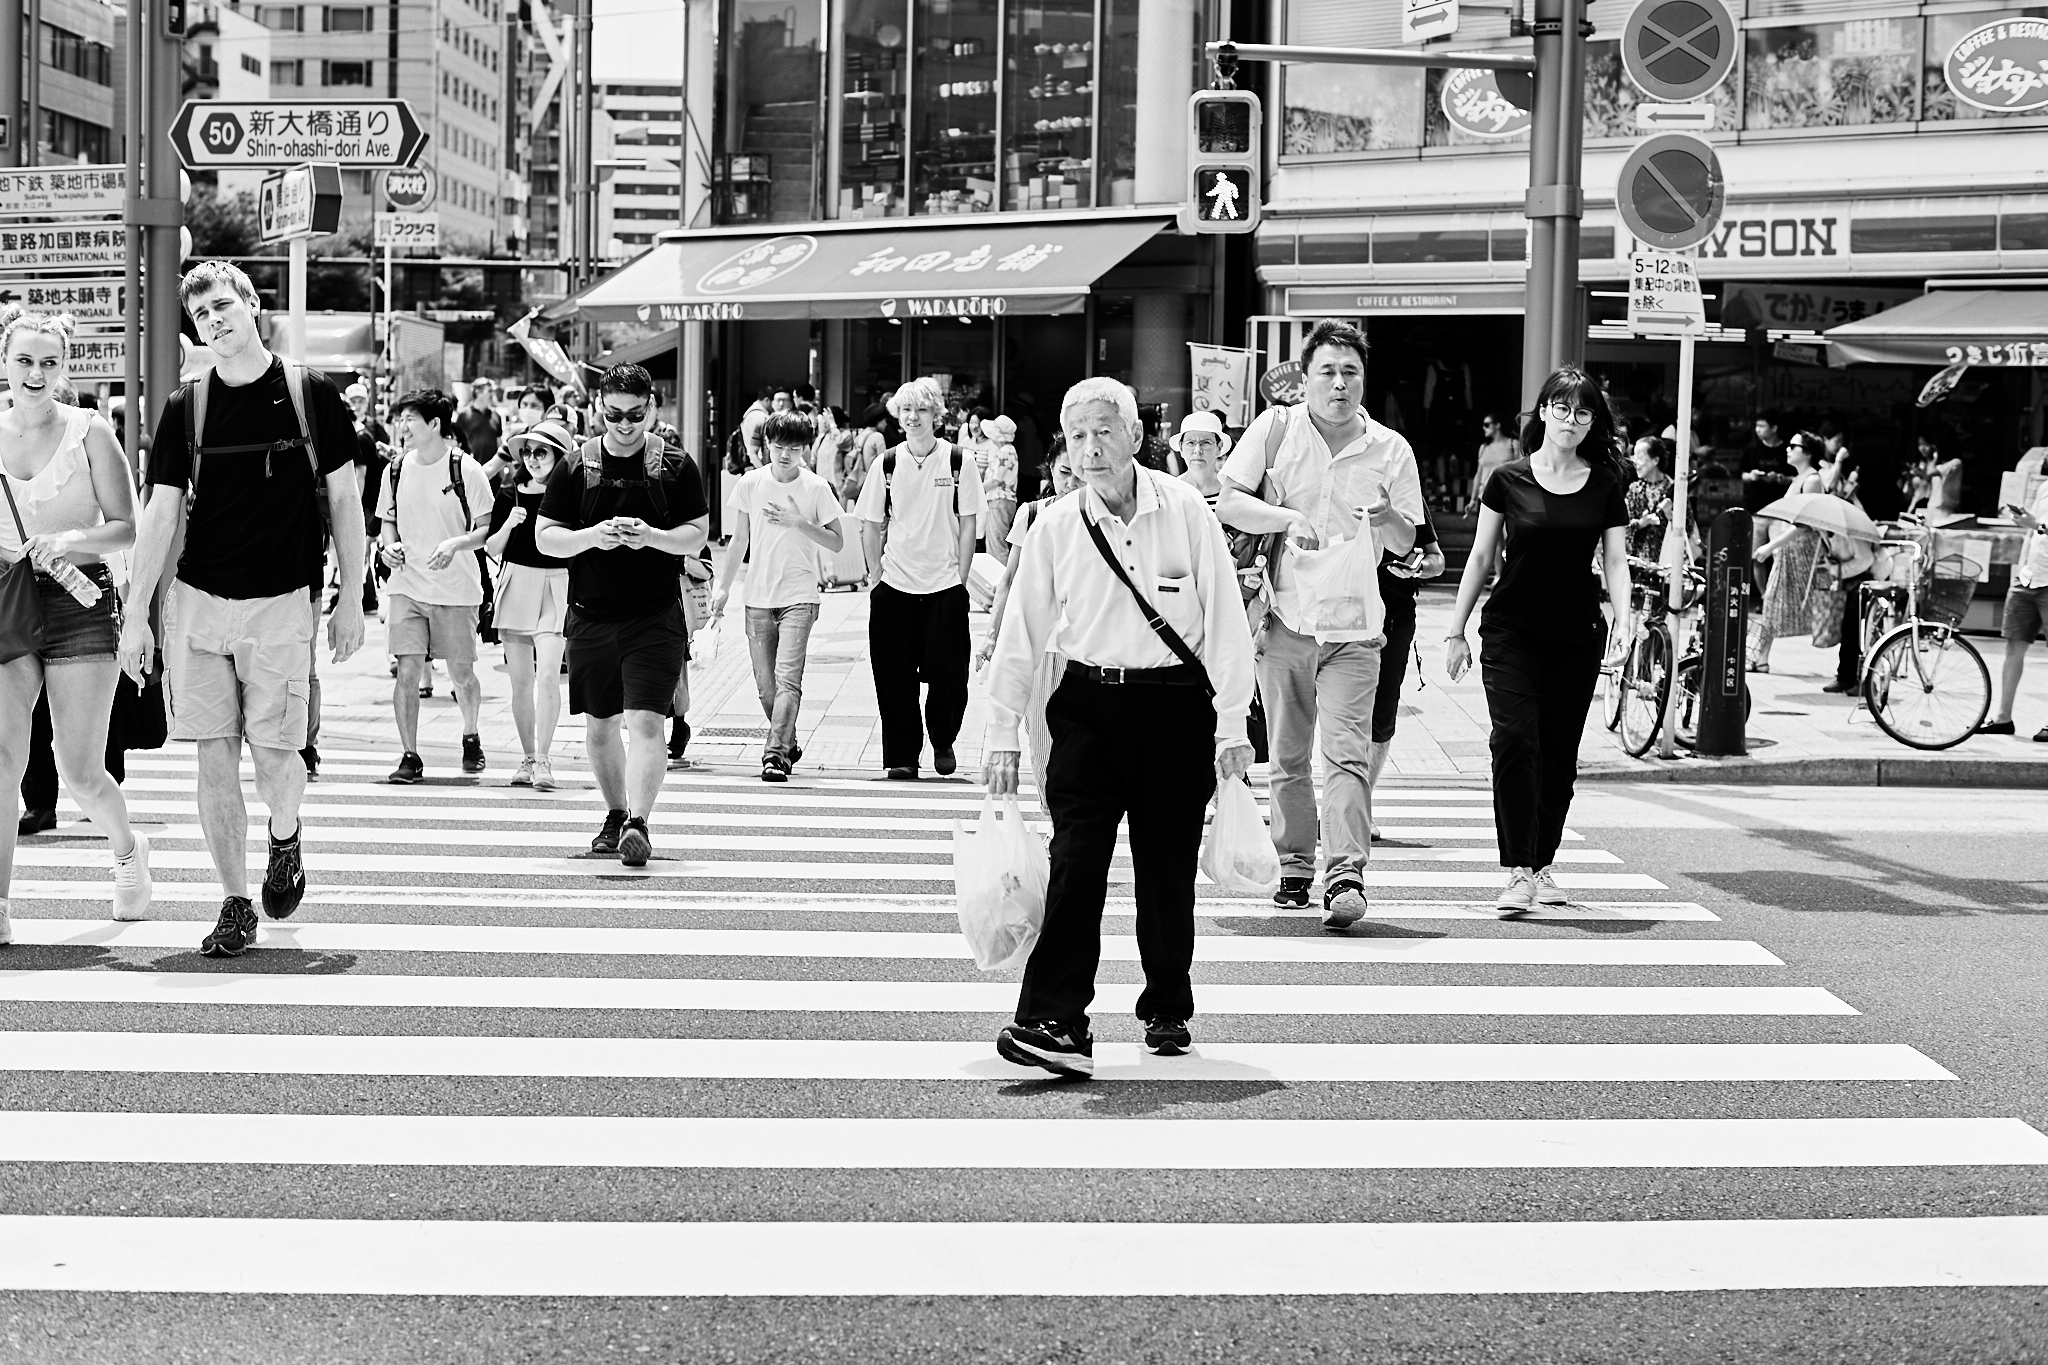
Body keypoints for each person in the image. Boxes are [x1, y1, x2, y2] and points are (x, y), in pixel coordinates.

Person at [982, 377, 1256, 1078]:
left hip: (1174, 706)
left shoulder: (1187, 510)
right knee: (1075, 864)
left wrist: (1232, 723)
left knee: (1166, 867)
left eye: (1104, 431)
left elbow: (1225, 619)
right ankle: (1056, 1018)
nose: (1090, 449)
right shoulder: (1054, 525)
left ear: (1138, 437)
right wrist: (1002, 732)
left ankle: (1167, 1000)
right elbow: (1022, 631)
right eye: (1077, 436)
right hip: (1086, 706)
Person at [116, 260, 366, 958]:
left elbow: (345, 501)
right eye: (202, 315)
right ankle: (233, 902)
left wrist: (350, 594)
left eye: (224, 306)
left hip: (284, 601)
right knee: (213, 755)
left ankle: (284, 836)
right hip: (198, 601)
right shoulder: (184, 407)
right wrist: (137, 612)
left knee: (275, 757)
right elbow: (160, 514)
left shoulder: (310, 393)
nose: (215, 321)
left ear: (253, 304)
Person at [1216, 319, 1422, 929]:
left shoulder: (1390, 449)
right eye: (1327, 372)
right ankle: (1297, 863)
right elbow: (1229, 499)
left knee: (1348, 754)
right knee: (1286, 754)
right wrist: (1284, 517)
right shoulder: (1275, 431)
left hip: (1357, 630)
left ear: (1364, 381)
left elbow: (1410, 539)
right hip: (1284, 621)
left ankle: (1345, 873)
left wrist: (1386, 516)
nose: (1339, 383)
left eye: (1350, 372)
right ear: (1305, 380)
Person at [1443, 366, 1631, 916]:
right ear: (1543, 412)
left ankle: (1543, 862)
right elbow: (1481, 557)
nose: (1571, 420)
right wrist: (1455, 631)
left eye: (1583, 412)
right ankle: (1517, 869)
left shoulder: (1604, 483)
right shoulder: (1508, 479)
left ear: (1591, 421)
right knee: (1514, 742)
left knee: (1557, 757)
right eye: (1561, 408)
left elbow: (1615, 562)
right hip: (1511, 633)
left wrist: (1624, 624)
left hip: (1576, 636)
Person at [0, 306, 151, 941]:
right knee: (3, 760)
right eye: (24, 360)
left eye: (49, 362)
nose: (36, 373)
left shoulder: (90, 431)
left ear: (64, 369)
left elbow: (127, 526)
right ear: (5, 362)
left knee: (80, 770)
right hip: (7, 597)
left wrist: (67, 540)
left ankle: (126, 848)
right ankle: (1, 901)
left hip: (80, 599)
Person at [534, 363, 709, 867]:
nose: (626, 425)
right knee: (600, 725)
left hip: (654, 617)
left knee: (646, 721)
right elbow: (548, 536)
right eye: (614, 416)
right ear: (599, 410)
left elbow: (696, 534)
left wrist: (652, 537)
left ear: (652, 407)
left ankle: (638, 823)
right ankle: (615, 814)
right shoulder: (575, 465)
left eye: (635, 414)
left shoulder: (675, 466)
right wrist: (593, 536)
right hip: (590, 616)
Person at [856, 377, 986, 780]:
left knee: (948, 672)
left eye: (922, 410)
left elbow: (969, 524)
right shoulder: (887, 463)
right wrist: (875, 574)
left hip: (945, 585)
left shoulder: (958, 461)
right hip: (894, 584)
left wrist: (961, 577)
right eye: (906, 410)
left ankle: (943, 738)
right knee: (892, 674)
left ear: (936, 415)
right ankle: (902, 755)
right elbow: (870, 523)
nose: (913, 418)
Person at [711, 409, 844, 781]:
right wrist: (723, 588)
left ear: (806, 449)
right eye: (778, 446)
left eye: (794, 448)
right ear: (767, 444)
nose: (785, 455)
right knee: (766, 688)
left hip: (800, 597)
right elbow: (739, 539)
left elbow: (837, 542)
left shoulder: (816, 488)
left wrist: (799, 522)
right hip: (757, 598)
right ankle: (787, 738)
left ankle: (775, 756)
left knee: (788, 681)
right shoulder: (750, 484)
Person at [375, 389, 495, 783]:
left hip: (455, 589)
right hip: (407, 586)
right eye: (401, 419)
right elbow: (387, 522)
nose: (402, 427)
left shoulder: (466, 470)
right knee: (407, 671)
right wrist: (387, 545)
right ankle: (409, 755)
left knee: (461, 674)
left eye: (410, 419)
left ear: (434, 425)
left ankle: (471, 734)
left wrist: (455, 543)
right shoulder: (394, 469)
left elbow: (486, 532)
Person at [487, 418, 576, 788]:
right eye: (527, 452)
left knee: (550, 678)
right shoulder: (509, 493)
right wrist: (509, 523)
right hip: (517, 583)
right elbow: (490, 548)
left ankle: (544, 759)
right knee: (521, 683)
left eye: (542, 452)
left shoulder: (571, 496)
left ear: (558, 457)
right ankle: (526, 758)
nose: (533, 458)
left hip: (558, 585)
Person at [1366, 510, 1445, 837]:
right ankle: (1340, 804)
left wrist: (1417, 568)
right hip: (1332, 616)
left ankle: (1359, 802)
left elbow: (1437, 560)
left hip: (1393, 617)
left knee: (1381, 715)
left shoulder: (1407, 493)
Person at [1751, 431, 1827, 673]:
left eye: (1794, 446)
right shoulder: (1799, 478)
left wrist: (1770, 546)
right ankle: (1760, 658)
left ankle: (1760, 658)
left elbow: (1804, 525)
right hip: (1789, 551)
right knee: (1773, 601)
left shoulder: (1812, 480)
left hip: (1799, 552)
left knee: (1776, 601)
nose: (1788, 449)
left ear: (1807, 453)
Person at [1623, 436, 1675, 564]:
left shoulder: (1674, 491)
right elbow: (1621, 527)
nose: (1635, 462)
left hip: (1666, 566)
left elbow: (1688, 530)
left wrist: (1671, 517)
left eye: (1639, 458)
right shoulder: (1635, 490)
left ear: (1655, 460)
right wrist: (1641, 523)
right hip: (1637, 565)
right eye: (1633, 457)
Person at [1170, 411, 1231, 508]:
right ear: (1181, 448)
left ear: (1219, 448)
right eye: (1191, 443)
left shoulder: (1231, 493)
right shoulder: (1171, 491)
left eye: (1206, 443)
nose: (1197, 450)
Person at [981, 413, 1021, 559]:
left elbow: (994, 481)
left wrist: (975, 488)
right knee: (995, 544)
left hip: (999, 501)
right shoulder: (1008, 451)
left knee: (996, 546)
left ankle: (1000, 580)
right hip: (1001, 501)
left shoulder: (1005, 451)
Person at [456, 378, 506, 478]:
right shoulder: (464, 415)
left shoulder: (496, 416)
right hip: (470, 471)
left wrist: (501, 469)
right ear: (478, 391)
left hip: (493, 472)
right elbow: (457, 444)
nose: (493, 394)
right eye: (489, 391)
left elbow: (499, 442)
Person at [1469, 413, 1520, 513]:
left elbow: (1519, 470)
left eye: (1487, 425)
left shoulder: (1513, 444)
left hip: (1506, 495)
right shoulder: (1484, 448)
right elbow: (1478, 475)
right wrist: (1472, 500)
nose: (1484, 428)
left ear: (1497, 425)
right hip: (1484, 496)